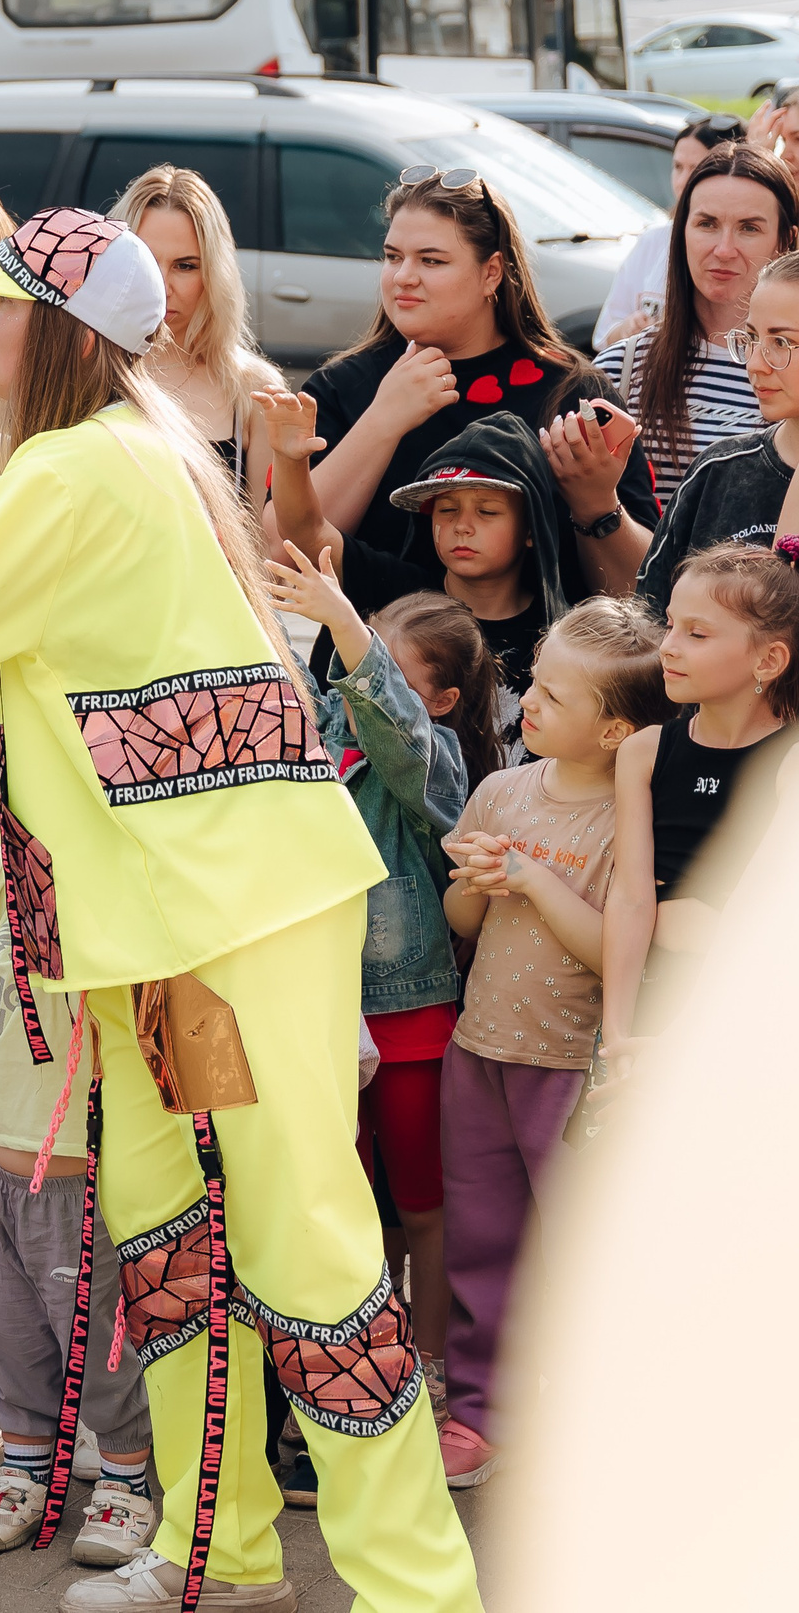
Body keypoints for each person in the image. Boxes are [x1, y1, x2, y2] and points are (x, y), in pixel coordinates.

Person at [0, 208, 480, 1610]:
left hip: (221, 917)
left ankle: (420, 1588)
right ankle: (222, 1549)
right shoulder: (106, 458)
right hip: (153, 924)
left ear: (53, 333)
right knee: (168, 1243)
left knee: (306, 1245)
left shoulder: (86, 467)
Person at [0, 675, 158, 1574]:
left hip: (79, 1178)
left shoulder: (106, 899)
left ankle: (128, 1478)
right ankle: (24, 1469)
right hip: (2, 1175)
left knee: (99, 1342)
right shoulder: (12, 890)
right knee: (12, 1336)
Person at [262, 558, 495, 1452]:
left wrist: (349, 631)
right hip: (323, 1015)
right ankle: (358, 1369)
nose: (358, 685)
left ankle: (426, 1368)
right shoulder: (323, 735)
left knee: (425, 1210)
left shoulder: (433, 765)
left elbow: (396, 736)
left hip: (410, 1021)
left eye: (389, 673)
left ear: (434, 700)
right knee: (346, 1207)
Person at [442, 597, 667, 1489]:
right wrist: (479, 879)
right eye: (532, 681)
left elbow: (617, 938)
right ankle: (480, 1413)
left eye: (553, 695)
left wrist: (531, 877)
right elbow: (463, 919)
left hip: (569, 1062)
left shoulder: (626, 814)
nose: (527, 702)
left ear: (614, 729)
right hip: (480, 1048)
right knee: (481, 1238)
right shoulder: (502, 789)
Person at [300, 168, 658, 601]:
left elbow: (642, 594)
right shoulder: (343, 386)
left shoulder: (573, 393)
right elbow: (281, 553)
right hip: (378, 661)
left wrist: (597, 506)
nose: (403, 277)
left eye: (431, 260)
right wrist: (381, 422)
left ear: (491, 273)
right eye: (393, 256)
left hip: (544, 665)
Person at [266, 398, 585, 709]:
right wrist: (289, 460)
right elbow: (306, 531)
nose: (462, 526)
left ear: (531, 529)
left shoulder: (564, 634)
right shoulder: (393, 594)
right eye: (446, 509)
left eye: (487, 512)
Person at [605, 543, 799, 1053]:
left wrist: (679, 1044)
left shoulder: (790, 761)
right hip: (650, 1005)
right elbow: (629, 899)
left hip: (739, 1020)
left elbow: (754, 918)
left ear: (769, 659)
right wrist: (618, 1037)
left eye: (697, 633)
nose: (668, 646)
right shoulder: (643, 751)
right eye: (670, 625)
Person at [594, 142, 798, 504]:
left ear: (787, 240)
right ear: (680, 231)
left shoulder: (791, 373)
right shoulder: (619, 371)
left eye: (748, 228)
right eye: (707, 223)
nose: (723, 249)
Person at [113, 167, 281, 512]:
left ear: (214, 275)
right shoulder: (82, 370)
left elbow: (264, 548)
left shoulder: (252, 387)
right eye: (144, 259)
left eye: (185, 266)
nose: (160, 284)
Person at [641, 250, 799, 610]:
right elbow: (649, 617)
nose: (755, 364)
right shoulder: (719, 470)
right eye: (751, 338)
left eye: (781, 342)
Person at [595, 112, 745, 348]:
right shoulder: (653, 241)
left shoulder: (742, 248)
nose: (682, 180)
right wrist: (629, 329)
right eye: (677, 167)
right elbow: (604, 337)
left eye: (696, 168)